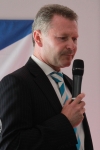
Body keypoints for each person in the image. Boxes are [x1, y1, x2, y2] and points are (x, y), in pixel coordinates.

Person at [0, 4, 93, 150]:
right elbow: (12, 145)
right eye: (63, 38)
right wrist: (65, 122)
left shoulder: (68, 83)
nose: (71, 46)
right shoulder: (17, 82)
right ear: (38, 38)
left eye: (74, 39)